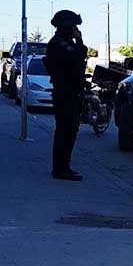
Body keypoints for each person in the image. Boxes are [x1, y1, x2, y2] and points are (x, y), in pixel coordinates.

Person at [42, 10, 87, 181]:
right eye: (73, 26)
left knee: (69, 131)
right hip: (66, 92)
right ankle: (61, 169)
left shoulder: (63, 42)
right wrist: (80, 39)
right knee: (65, 132)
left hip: (70, 92)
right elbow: (78, 55)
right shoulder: (59, 44)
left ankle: (64, 166)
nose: (75, 29)